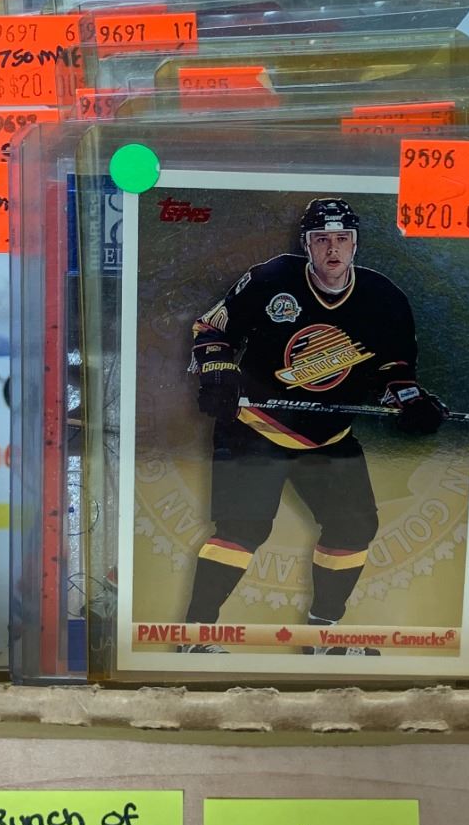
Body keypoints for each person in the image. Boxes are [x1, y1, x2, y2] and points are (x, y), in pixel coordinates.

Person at [179, 198, 447, 654]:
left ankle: (321, 636)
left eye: (342, 238)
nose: (332, 249)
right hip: (256, 426)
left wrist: (412, 402)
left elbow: (396, 370)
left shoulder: (385, 299)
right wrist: (218, 373)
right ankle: (195, 637)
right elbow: (212, 329)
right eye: (322, 239)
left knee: (353, 527)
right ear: (306, 244)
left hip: (329, 435)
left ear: (356, 244)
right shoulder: (271, 279)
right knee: (242, 529)